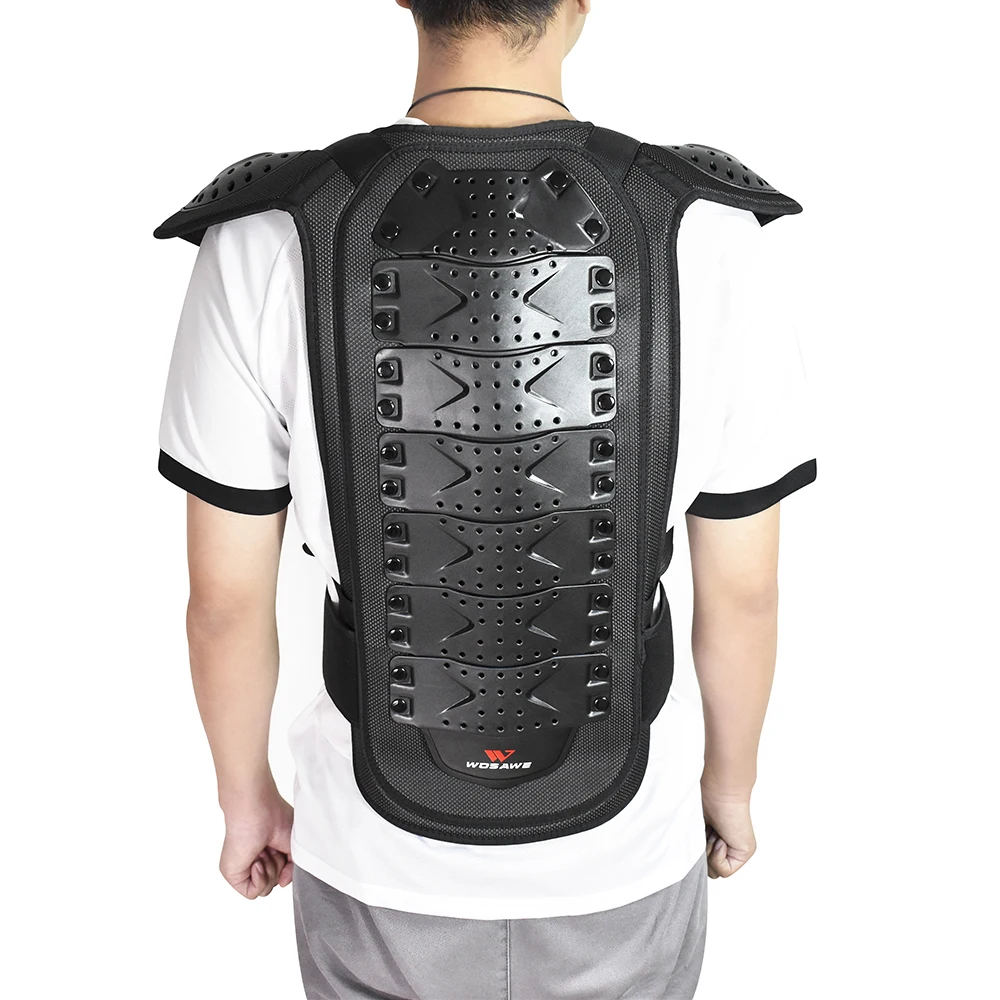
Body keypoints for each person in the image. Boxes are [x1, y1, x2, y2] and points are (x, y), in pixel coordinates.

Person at [154, 1, 816, 996]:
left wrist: (245, 800)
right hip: (624, 853)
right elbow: (746, 590)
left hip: (374, 855)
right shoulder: (708, 231)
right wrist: (729, 785)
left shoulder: (265, 233)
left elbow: (224, 600)